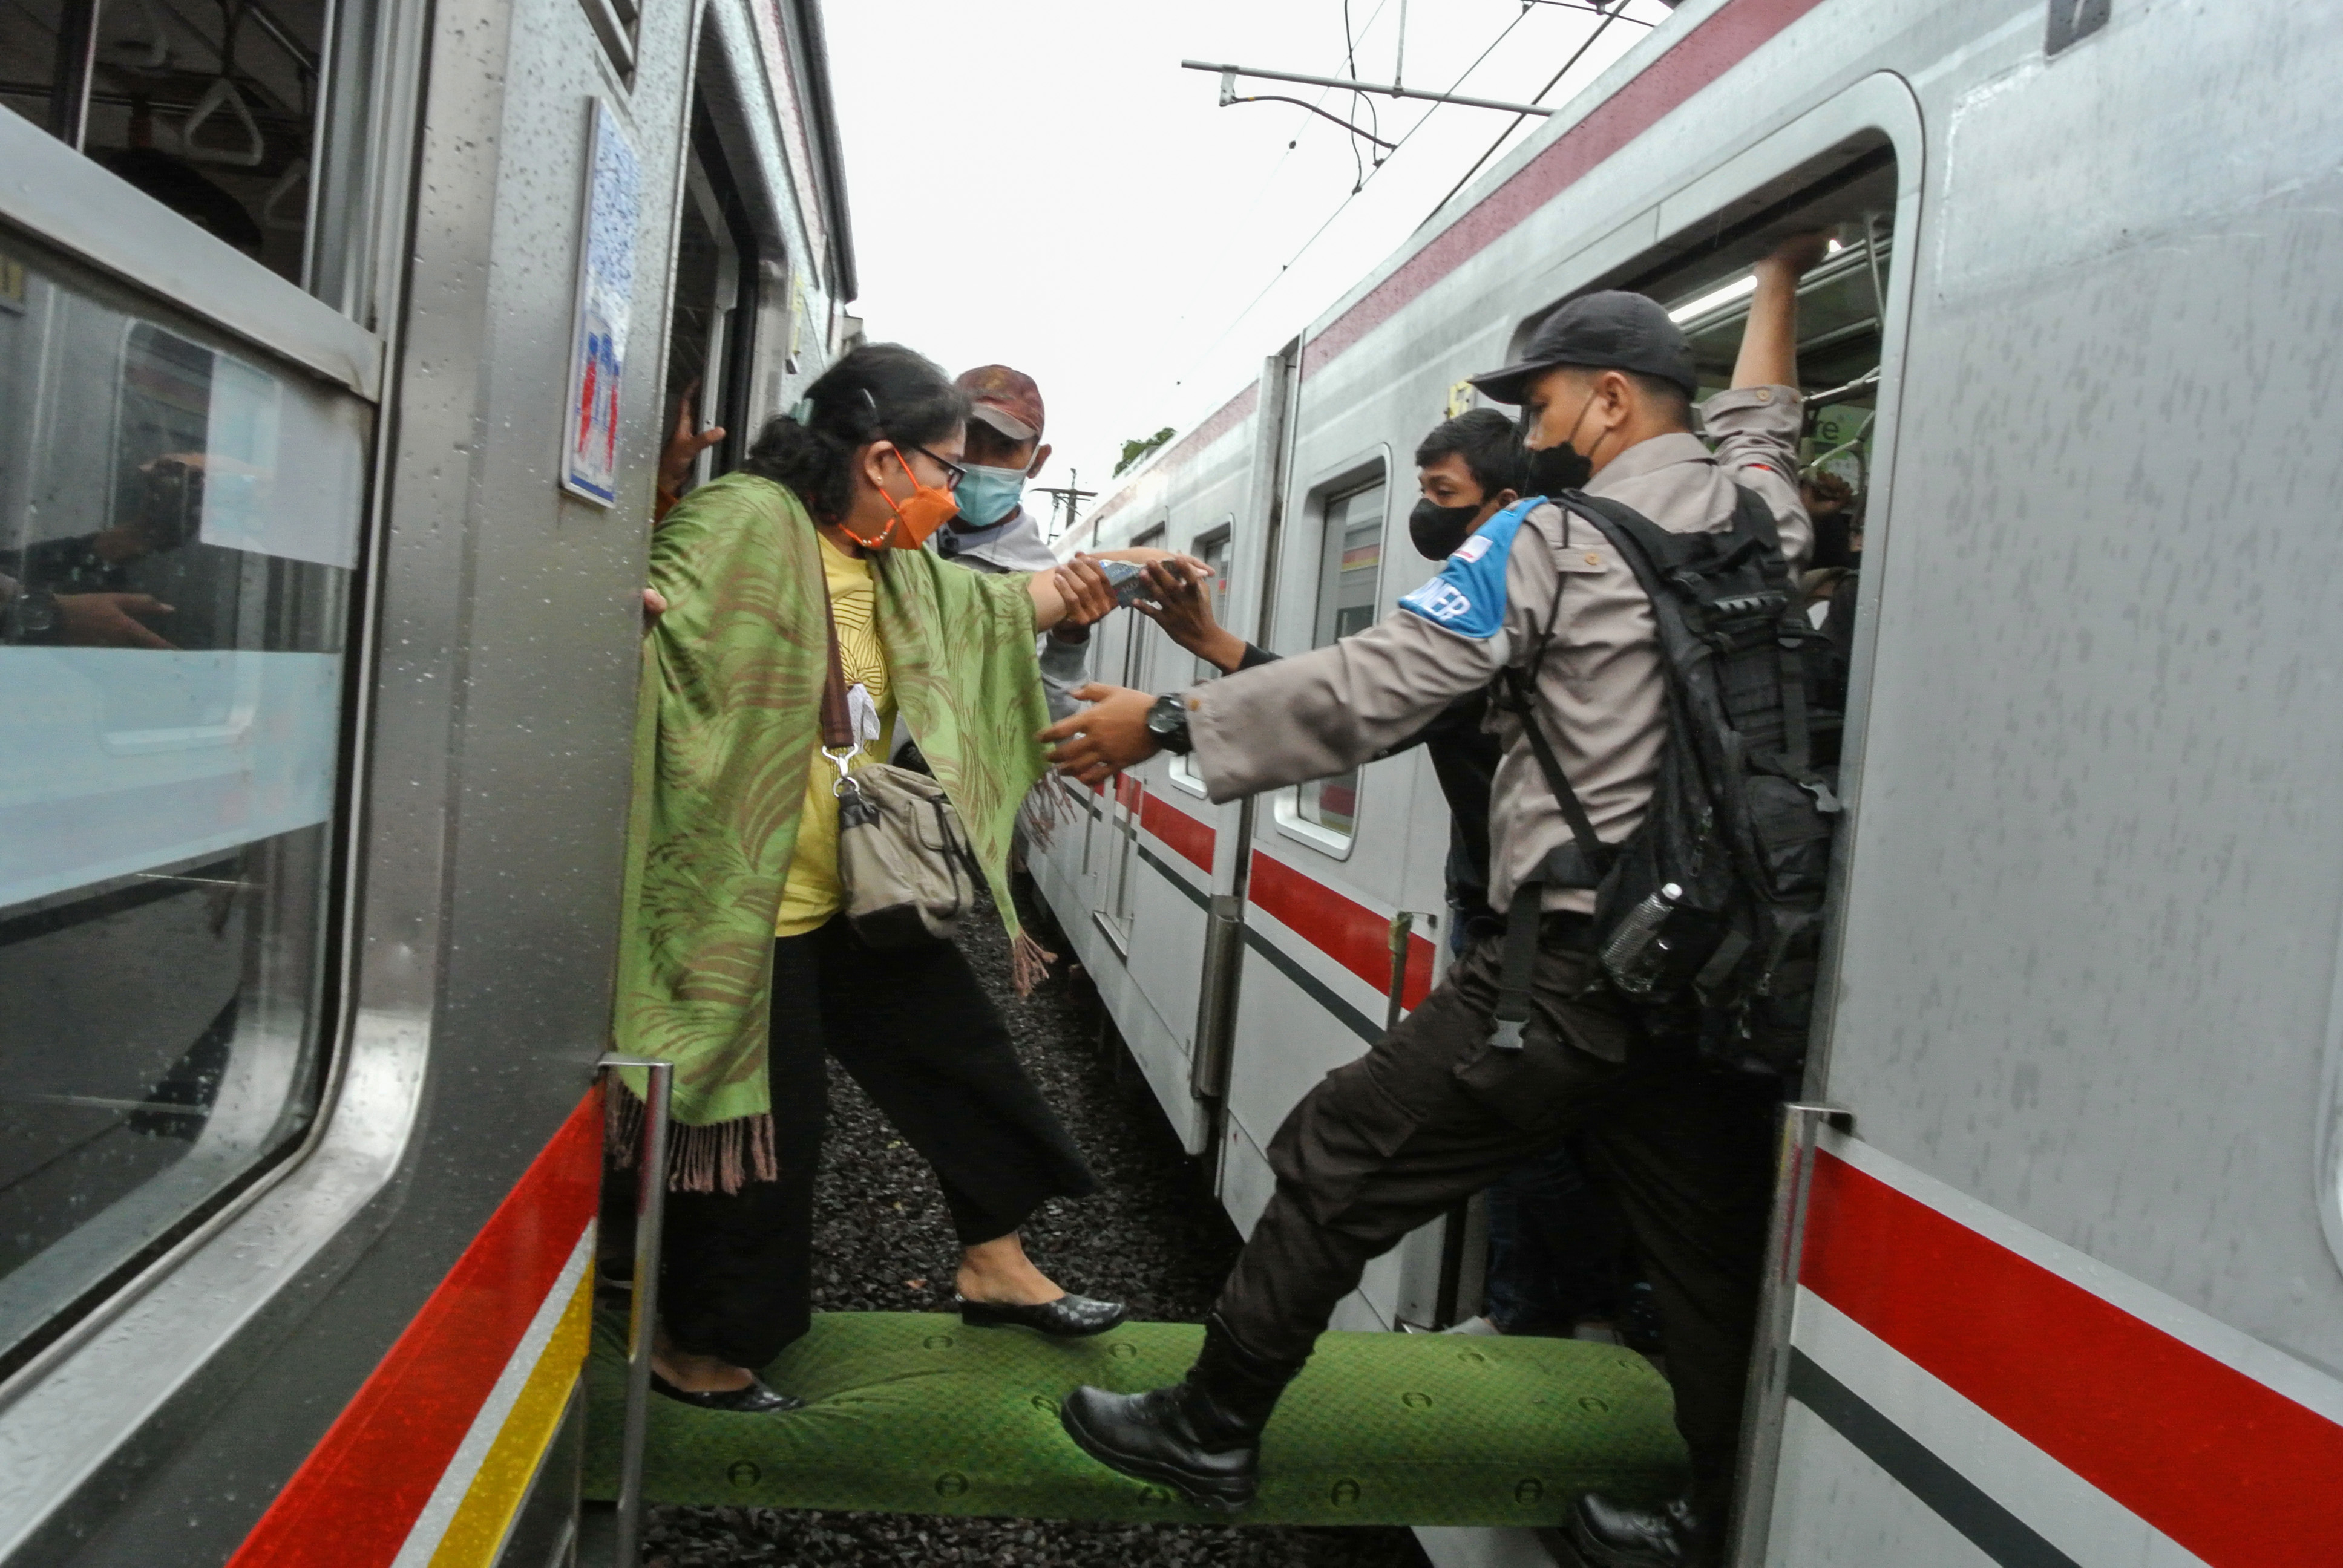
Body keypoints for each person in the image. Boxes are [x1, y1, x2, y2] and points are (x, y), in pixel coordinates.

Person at [1035, 234, 1829, 1567]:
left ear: (1613, 403)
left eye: (1547, 400)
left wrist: (1167, 717)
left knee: (1337, 1157)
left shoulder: (1548, 536)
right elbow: (1761, 431)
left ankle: (1212, 1423)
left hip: (1570, 973)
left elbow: (1375, 685)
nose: (1535, 426)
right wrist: (1775, 288)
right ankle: (1711, 1509)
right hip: (1709, 974)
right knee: (1709, 1259)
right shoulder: (1764, 517)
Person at [613, 343, 1170, 1414]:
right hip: (752, 899)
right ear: (880, 458)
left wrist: (1125, 575)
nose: (955, 494)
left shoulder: (888, 562)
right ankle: (703, 1349)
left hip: (849, 886)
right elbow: (641, 601)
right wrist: (644, 523)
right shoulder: (741, 522)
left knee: (960, 1053)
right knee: (770, 1131)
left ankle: (993, 1262)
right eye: (945, 467)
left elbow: (1001, 607)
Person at [931, 365, 1094, 722]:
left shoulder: (1047, 580)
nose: (982, 463)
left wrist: (1067, 644)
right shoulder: (894, 536)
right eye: (970, 440)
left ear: (1038, 461)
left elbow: (1045, 725)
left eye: (1005, 447)